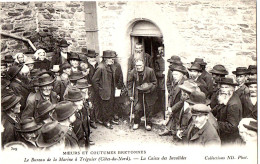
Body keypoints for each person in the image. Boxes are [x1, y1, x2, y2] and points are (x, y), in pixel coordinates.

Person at [127, 59, 157, 131]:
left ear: (143, 65)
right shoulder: (133, 72)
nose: (138, 67)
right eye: (137, 65)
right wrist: (130, 94)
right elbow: (129, 83)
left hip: (149, 93)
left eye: (140, 65)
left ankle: (148, 123)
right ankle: (136, 122)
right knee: (137, 108)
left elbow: (155, 82)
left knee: (149, 108)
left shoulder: (150, 71)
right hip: (138, 93)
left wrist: (149, 88)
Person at [212, 77, 242, 144]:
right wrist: (208, 113)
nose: (223, 90)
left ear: (232, 89)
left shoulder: (233, 104)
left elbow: (232, 126)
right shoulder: (226, 97)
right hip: (223, 135)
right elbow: (218, 107)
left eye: (226, 87)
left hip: (229, 139)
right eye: (222, 87)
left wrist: (214, 122)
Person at [92, 50, 117, 129]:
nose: (113, 60)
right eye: (111, 59)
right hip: (104, 92)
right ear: (106, 59)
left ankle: (110, 119)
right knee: (105, 107)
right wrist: (99, 91)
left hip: (110, 90)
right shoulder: (100, 67)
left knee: (110, 106)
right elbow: (94, 80)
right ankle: (106, 121)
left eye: (113, 59)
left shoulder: (109, 66)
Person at [151, 46, 165, 115]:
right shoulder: (157, 61)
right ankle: (163, 113)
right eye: (159, 50)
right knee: (162, 98)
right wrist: (162, 74)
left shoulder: (168, 59)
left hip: (169, 82)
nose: (161, 51)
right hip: (161, 83)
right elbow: (155, 73)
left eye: (162, 49)